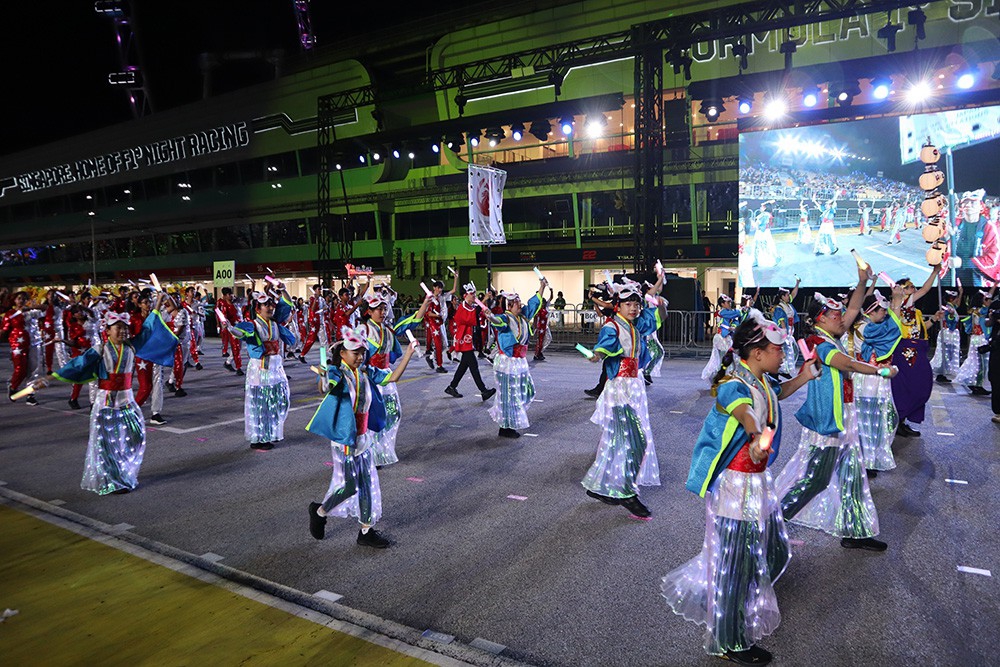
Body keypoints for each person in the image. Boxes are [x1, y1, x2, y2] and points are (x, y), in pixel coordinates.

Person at [662, 311, 816, 667]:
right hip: (737, 487)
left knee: (774, 549)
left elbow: (778, 393)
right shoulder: (735, 384)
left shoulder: (761, 380)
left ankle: (742, 598)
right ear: (757, 353)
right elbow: (744, 412)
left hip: (758, 482)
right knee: (737, 564)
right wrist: (755, 436)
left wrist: (805, 376)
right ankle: (729, 640)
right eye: (777, 349)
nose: (783, 354)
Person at [775, 268, 900, 553]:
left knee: (853, 475)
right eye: (835, 315)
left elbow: (854, 308)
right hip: (830, 419)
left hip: (846, 414)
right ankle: (771, 523)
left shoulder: (832, 335)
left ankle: (856, 531)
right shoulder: (817, 343)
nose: (841, 317)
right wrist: (880, 371)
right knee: (815, 479)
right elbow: (848, 364)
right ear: (821, 318)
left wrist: (862, 281)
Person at [36, 308, 178, 495]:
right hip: (106, 404)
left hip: (127, 402)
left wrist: (157, 305)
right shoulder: (100, 349)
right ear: (108, 330)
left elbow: (148, 330)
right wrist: (49, 378)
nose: (123, 331)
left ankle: (124, 471)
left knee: (136, 437)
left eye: (125, 328)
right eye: (118, 328)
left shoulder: (131, 347)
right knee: (108, 446)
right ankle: (114, 482)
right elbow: (77, 364)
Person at [306, 326, 419, 548]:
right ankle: (320, 511)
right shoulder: (338, 373)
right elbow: (325, 387)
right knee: (349, 486)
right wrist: (323, 375)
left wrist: (408, 353)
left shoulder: (366, 372)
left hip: (364, 437)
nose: (359, 357)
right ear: (342, 353)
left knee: (367, 484)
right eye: (355, 353)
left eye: (362, 353)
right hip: (345, 440)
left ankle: (366, 531)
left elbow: (392, 377)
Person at [582, 274, 665, 517]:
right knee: (637, 441)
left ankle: (599, 485)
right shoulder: (612, 326)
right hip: (619, 389)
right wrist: (597, 354)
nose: (634, 308)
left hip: (634, 386)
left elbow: (656, 317)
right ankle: (627, 492)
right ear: (618, 305)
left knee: (618, 441)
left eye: (636, 304)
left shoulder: (636, 325)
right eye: (628, 304)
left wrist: (659, 298)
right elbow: (605, 346)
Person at [355, 291, 427, 467]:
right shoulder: (362, 330)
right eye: (378, 309)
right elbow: (354, 355)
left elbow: (411, 321)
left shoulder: (387, 330)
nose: (382, 312)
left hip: (385, 375)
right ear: (369, 312)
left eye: (384, 308)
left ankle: (379, 450)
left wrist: (426, 301)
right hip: (370, 377)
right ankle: (370, 452)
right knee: (373, 416)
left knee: (393, 413)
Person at [222, 287, 297, 451]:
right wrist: (229, 327)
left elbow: (287, 303)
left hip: (276, 367)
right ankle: (259, 438)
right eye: (266, 305)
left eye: (271, 304)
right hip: (260, 367)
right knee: (260, 405)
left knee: (281, 400)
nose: (270, 307)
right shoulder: (253, 325)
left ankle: (270, 433)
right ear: (258, 309)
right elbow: (239, 332)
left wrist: (283, 289)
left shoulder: (275, 323)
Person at [485, 278, 546, 438]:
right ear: (509, 306)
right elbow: (497, 322)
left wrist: (542, 286)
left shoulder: (523, 316)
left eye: (519, 301)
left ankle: (513, 417)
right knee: (508, 396)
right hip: (507, 362)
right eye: (517, 303)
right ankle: (505, 427)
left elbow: (533, 304)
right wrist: (490, 317)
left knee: (527, 391)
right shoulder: (506, 318)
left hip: (520, 361)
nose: (520, 304)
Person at [854, 288, 904, 475]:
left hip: (876, 379)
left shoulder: (868, 326)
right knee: (868, 423)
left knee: (879, 420)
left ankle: (870, 459)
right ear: (871, 311)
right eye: (882, 310)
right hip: (867, 381)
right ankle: (866, 462)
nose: (885, 313)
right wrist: (896, 303)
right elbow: (890, 330)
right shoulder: (864, 328)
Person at [892, 267, 939, 437]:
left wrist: (933, 319)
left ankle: (904, 419)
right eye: (911, 287)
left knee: (919, 385)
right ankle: (899, 419)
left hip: (917, 350)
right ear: (902, 291)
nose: (914, 289)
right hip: (906, 352)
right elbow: (925, 289)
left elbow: (919, 329)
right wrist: (935, 272)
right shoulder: (901, 305)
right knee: (910, 386)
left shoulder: (913, 310)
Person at [445, 283, 497, 402]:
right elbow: (471, 317)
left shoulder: (469, 306)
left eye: (474, 294)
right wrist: (483, 300)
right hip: (463, 340)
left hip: (467, 339)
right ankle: (483, 390)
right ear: (465, 295)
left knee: (463, 366)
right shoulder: (462, 307)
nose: (474, 296)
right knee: (473, 365)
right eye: (471, 294)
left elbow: (475, 314)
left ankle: (452, 387)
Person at [1, 291, 44, 405]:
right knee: (20, 369)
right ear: (14, 300)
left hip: (34, 343)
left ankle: (31, 395)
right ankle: (13, 386)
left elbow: (46, 309)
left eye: (24, 299)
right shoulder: (10, 314)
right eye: (19, 298)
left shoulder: (33, 312)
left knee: (33, 369)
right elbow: (4, 330)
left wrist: (32, 307)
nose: (21, 301)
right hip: (18, 345)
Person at [955, 289, 995, 396]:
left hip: (974, 338)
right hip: (980, 338)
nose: (989, 301)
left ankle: (973, 382)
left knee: (974, 361)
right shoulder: (982, 310)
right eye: (987, 299)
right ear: (983, 301)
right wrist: (994, 286)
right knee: (981, 364)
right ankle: (978, 385)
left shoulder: (974, 310)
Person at [701, 295, 741, 384]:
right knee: (724, 358)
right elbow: (736, 314)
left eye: (730, 302)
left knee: (725, 358)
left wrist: (733, 327)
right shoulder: (723, 312)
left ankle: (726, 377)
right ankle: (724, 378)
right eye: (728, 302)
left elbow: (736, 321)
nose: (730, 304)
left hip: (727, 337)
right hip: (721, 338)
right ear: (722, 304)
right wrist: (742, 311)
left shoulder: (728, 312)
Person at [931, 288, 963, 383]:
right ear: (951, 299)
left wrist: (961, 293)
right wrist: (951, 316)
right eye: (956, 298)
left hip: (951, 333)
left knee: (948, 354)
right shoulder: (948, 309)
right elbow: (949, 319)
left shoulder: (952, 307)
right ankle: (940, 373)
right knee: (945, 354)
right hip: (948, 333)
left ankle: (943, 373)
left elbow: (958, 305)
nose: (957, 300)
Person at [770, 278, 801, 377]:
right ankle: (781, 371)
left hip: (790, 330)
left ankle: (785, 370)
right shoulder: (779, 307)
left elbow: (793, 295)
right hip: (783, 332)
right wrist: (784, 333)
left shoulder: (787, 305)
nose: (789, 296)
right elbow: (782, 320)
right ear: (782, 297)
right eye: (787, 295)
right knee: (785, 351)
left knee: (792, 351)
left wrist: (797, 284)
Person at [533, 287, 553, 361]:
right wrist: (535, 327)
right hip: (540, 327)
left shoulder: (546, 307)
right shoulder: (539, 309)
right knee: (540, 341)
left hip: (545, 327)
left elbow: (551, 298)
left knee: (548, 339)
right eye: (542, 303)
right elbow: (535, 318)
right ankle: (537, 354)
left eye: (544, 303)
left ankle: (540, 351)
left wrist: (551, 291)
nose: (543, 304)